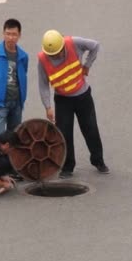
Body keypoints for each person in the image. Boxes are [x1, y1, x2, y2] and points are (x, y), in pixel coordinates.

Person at [37, 29, 110, 179]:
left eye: (58, 53)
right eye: (52, 55)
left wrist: (87, 65)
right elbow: (43, 84)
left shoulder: (73, 43)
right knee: (64, 134)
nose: (56, 57)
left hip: (83, 96)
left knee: (90, 128)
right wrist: (48, 106)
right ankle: (67, 167)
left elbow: (95, 45)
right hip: (62, 100)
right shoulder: (43, 59)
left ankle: (98, 161)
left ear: (63, 45)